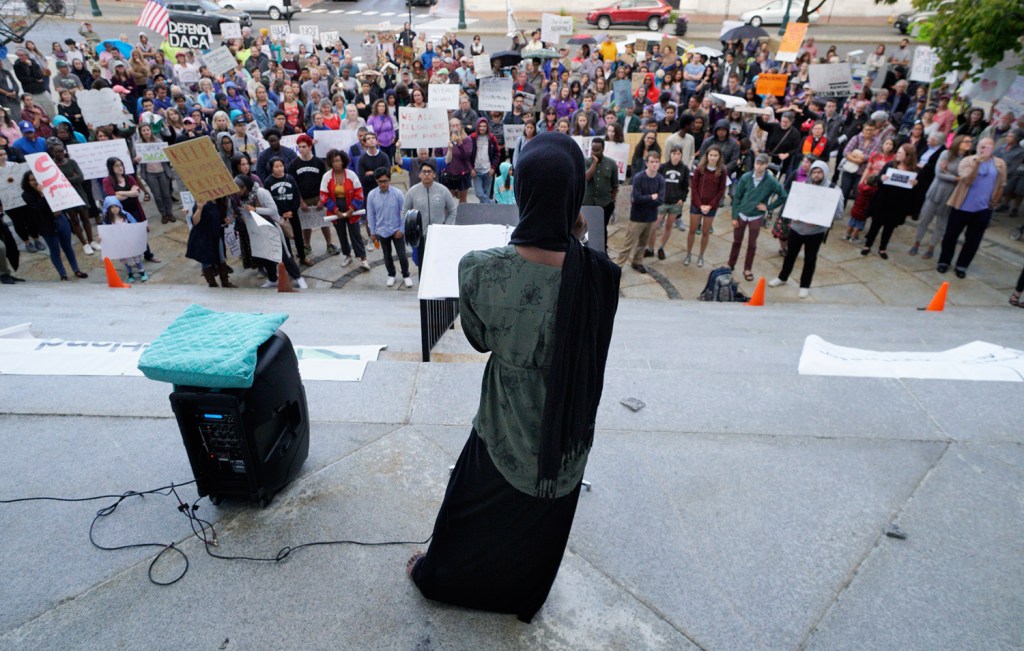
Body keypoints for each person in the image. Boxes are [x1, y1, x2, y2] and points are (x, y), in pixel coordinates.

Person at [409, 132, 621, 624]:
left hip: (504, 421)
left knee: (471, 512)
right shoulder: (601, 275)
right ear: (575, 195)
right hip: (567, 429)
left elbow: (480, 340)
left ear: (521, 190)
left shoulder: (481, 269)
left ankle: (442, 579)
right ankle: (520, 595)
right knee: (537, 528)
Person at [769, 160, 841, 298]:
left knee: (810, 259)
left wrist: (821, 219)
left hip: (815, 232)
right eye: (814, 171)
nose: (816, 174)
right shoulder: (801, 187)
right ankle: (782, 277)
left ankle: (804, 285)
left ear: (825, 173)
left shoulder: (833, 190)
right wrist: (792, 215)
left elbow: (838, 213)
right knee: (790, 255)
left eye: (819, 172)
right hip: (797, 228)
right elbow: (792, 204)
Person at [937, 137, 1007, 278]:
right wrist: (977, 164)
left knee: (973, 240)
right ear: (977, 147)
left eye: (988, 147)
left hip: (983, 209)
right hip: (962, 206)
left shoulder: (1000, 164)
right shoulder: (967, 161)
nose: (984, 149)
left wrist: (994, 202)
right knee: (951, 236)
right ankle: (944, 261)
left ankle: (962, 265)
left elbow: (1002, 184)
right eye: (982, 146)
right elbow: (968, 180)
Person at [729, 153, 788, 282]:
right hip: (742, 214)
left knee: (752, 243)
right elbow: (737, 197)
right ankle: (730, 265)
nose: (758, 166)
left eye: (761, 164)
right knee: (736, 241)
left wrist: (769, 207)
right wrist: (734, 216)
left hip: (756, 216)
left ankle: (747, 268)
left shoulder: (771, 181)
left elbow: (783, 196)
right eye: (757, 163)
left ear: (766, 165)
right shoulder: (746, 177)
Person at [911, 135, 971, 260]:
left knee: (941, 224)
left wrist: (948, 173)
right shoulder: (946, 153)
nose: (969, 143)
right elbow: (939, 174)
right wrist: (956, 177)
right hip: (935, 191)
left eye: (970, 142)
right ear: (959, 142)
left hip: (950, 195)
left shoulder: (967, 160)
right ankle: (916, 243)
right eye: (966, 141)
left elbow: (965, 178)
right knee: (924, 219)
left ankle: (931, 247)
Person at [22, 171, 88, 281]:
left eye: (36, 179)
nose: (35, 182)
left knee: (68, 247)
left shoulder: (51, 187)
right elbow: (38, 209)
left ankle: (76, 270)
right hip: (46, 224)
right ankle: (63, 274)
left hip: (61, 219)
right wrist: (42, 194)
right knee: (55, 251)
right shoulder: (27, 195)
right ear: (27, 182)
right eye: (32, 180)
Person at [860, 143, 919, 260]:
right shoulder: (890, 165)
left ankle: (883, 248)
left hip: (898, 204)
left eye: (900, 153)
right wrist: (881, 179)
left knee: (889, 227)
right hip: (883, 200)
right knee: (875, 224)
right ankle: (868, 245)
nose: (897, 154)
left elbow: (914, 192)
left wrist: (915, 185)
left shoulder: (913, 170)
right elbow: (877, 179)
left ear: (907, 156)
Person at [614, 151, 664, 274]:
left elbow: (661, 200)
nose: (654, 164)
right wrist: (652, 197)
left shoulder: (660, 179)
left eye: (656, 162)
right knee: (628, 243)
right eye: (652, 162)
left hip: (651, 217)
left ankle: (637, 262)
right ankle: (617, 266)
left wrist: (647, 199)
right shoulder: (639, 177)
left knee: (643, 243)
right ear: (646, 163)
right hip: (637, 217)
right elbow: (636, 199)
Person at [320, 148, 369, 271]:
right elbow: (323, 196)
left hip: (351, 207)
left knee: (356, 234)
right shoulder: (326, 176)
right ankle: (347, 255)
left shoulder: (351, 174)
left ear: (343, 161)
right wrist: (336, 211)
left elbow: (359, 193)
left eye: (338, 161)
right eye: (333, 161)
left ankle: (363, 259)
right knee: (341, 234)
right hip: (335, 208)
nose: (335, 164)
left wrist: (351, 210)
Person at [403, 158, 457, 266]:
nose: (426, 174)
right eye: (424, 172)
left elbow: (452, 210)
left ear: (434, 175)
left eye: (429, 172)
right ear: (419, 175)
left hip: (438, 235)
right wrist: (410, 228)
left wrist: (446, 227)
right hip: (420, 236)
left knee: (438, 263)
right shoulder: (412, 192)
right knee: (421, 264)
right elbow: (405, 211)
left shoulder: (443, 190)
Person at [366, 167, 412, 288]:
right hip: (382, 231)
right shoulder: (372, 195)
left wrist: (401, 229)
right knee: (387, 255)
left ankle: (406, 275)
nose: (383, 184)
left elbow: (404, 212)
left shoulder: (398, 194)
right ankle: (391, 274)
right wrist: (372, 231)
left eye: (385, 181)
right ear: (376, 181)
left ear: (390, 180)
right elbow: (370, 214)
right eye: (380, 181)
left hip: (397, 230)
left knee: (402, 255)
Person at [685, 146, 727, 268]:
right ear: (707, 155)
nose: (713, 158)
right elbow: (694, 187)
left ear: (719, 157)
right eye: (711, 155)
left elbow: (721, 190)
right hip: (697, 205)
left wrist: (710, 206)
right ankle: (688, 254)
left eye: (715, 155)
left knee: (705, 233)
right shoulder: (700, 169)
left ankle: (701, 255)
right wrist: (699, 204)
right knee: (692, 230)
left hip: (711, 207)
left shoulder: (722, 171)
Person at [648, 145, 689, 260]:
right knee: (654, 226)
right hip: (662, 202)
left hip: (675, 203)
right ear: (670, 154)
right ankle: (650, 248)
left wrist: (683, 198)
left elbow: (686, 186)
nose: (676, 156)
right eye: (674, 153)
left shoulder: (684, 169)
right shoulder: (663, 167)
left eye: (678, 154)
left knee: (668, 226)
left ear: (681, 155)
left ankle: (661, 247)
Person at [185, 196, 236, 288]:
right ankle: (212, 283)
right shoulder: (201, 202)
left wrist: (224, 219)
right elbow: (195, 221)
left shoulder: (219, 201)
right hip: (203, 237)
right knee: (206, 260)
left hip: (216, 234)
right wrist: (199, 208)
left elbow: (218, 216)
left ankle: (225, 282)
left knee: (221, 258)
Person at [583, 138, 619, 245]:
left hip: (605, 203)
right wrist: (595, 162)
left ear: (603, 149)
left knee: (602, 228)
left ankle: (603, 250)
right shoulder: (586, 162)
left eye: (597, 150)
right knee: (586, 228)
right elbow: (587, 177)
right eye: (593, 150)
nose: (594, 152)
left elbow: (615, 185)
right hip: (588, 203)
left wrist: (612, 200)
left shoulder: (611, 164)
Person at [102, 196, 147, 282]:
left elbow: (134, 223)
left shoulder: (126, 215)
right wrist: (102, 236)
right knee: (125, 259)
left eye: (116, 206)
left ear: (119, 206)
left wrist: (140, 229)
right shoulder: (107, 220)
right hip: (120, 244)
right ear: (108, 209)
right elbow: (106, 231)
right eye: (112, 207)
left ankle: (142, 271)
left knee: (136, 257)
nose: (114, 209)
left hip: (131, 241)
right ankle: (130, 274)